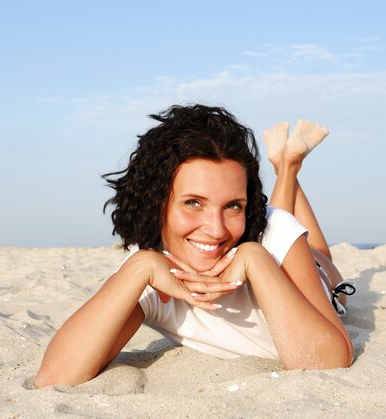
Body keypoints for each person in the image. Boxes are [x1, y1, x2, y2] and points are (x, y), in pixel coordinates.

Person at [34, 104, 354, 388]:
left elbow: (327, 361)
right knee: (281, 219)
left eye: (233, 206)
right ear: (156, 202)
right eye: (193, 203)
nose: (215, 230)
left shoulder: (273, 233)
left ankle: (288, 169)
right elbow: (55, 377)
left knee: (304, 239)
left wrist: (256, 258)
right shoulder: (149, 274)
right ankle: (287, 166)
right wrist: (140, 267)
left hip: (320, 275)